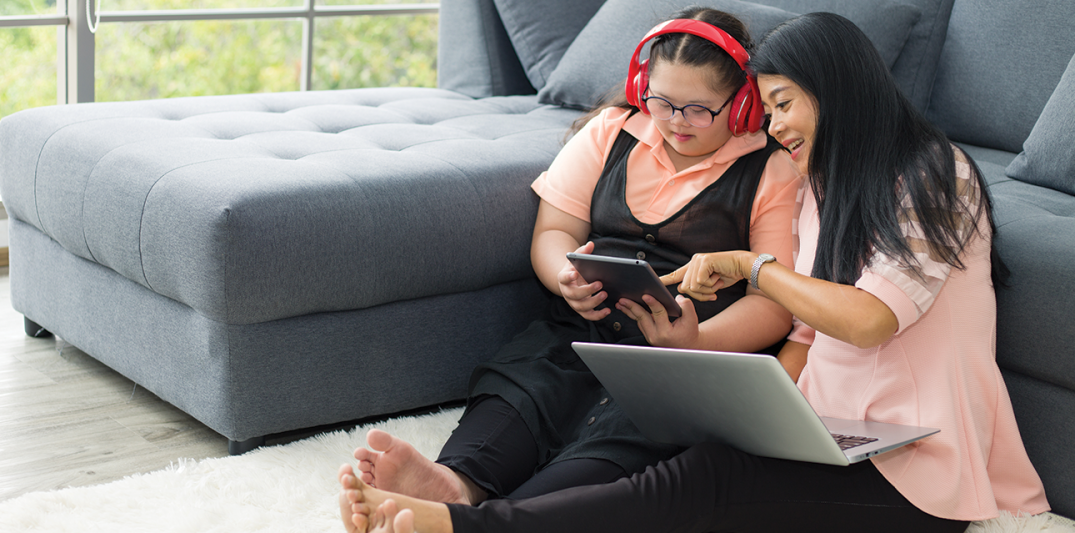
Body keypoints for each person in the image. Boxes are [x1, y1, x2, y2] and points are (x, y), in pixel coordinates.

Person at [338, 12, 1050, 533]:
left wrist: (753, 267)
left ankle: (471, 525)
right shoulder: (824, 185)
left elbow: (867, 317)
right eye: (766, 108)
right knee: (683, 439)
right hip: (834, 428)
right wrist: (762, 404)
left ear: (838, 91)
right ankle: (470, 501)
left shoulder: (936, 173)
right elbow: (808, 339)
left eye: (783, 105)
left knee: (707, 479)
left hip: (917, 463)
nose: (772, 127)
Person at [348, 6, 803, 510]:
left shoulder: (771, 169)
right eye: (662, 101)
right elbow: (555, 230)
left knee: (626, 439)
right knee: (526, 392)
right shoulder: (612, 131)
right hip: (579, 335)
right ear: (640, 86)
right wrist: (563, 274)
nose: (676, 122)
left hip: (679, 365)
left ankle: (494, 519)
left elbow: (774, 304)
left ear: (740, 104)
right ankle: (454, 484)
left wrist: (696, 340)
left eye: (698, 109)